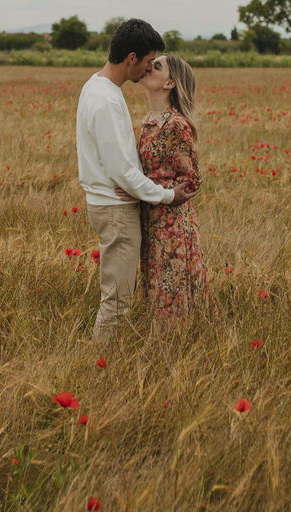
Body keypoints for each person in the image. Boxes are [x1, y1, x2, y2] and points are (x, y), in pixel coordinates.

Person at [76, 19, 195, 342]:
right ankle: (100, 367)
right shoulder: (106, 99)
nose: (145, 70)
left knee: (119, 296)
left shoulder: (96, 88)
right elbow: (123, 172)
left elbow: (123, 169)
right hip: (116, 208)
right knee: (117, 301)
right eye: (145, 62)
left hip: (112, 202)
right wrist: (168, 195)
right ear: (131, 58)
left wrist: (132, 183)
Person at [126, 54, 217, 320]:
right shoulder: (148, 120)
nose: (148, 68)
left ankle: (179, 346)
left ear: (169, 84)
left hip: (172, 224)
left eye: (157, 67)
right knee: (156, 284)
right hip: (150, 216)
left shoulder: (176, 124)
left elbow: (193, 179)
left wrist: (155, 190)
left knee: (172, 287)